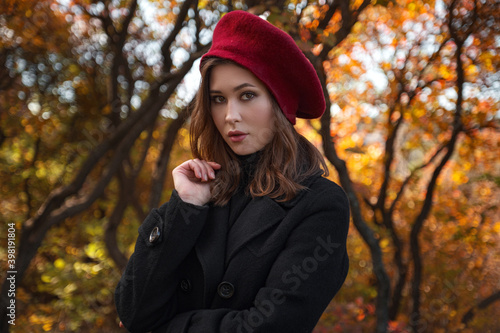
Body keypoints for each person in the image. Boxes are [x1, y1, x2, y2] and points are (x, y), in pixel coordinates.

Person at [115, 10, 349, 333]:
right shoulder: (203, 188)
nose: (230, 116)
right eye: (218, 99)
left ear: (279, 103)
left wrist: (170, 327)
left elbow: (270, 327)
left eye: (247, 95)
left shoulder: (320, 204)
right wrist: (186, 209)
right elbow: (134, 312)